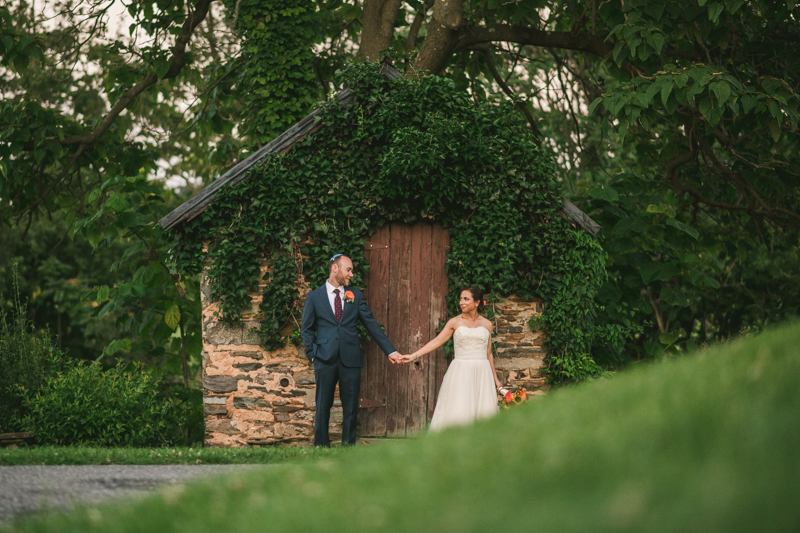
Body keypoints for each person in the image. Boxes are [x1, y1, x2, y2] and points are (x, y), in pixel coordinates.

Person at [301, 254, 403, 446]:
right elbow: (306, 329)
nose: (351, 274)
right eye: (348, 269)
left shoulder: (355, 296)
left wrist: (391, 351)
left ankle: (348, 447)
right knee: (323, 405)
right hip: (324, 358)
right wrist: (312, 355)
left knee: (350, 407)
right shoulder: (314, 297)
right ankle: (321, 446)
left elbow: (371, 325)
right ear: (335, 269)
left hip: (351, 359)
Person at [400, 286, 501, 431]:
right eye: (461, 299)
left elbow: (488, 353)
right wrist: (413, 355)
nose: (461, 302)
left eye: (466, 299)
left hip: (482, 372)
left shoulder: (487, 324)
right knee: (460, 409)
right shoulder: (455, 322)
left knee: (483, 411)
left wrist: (495, 379)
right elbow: (436, 342)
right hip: (461, 371)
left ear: (477, 302)